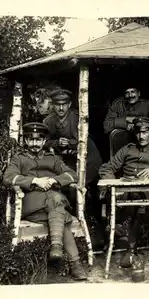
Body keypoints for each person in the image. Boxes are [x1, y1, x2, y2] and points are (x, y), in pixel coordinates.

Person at [3, 122, 88, 281]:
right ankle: (70, 259)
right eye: (31, 140)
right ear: (26, 141)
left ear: (44, 141)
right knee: (58, 203)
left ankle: (68, 258)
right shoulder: (19, 159)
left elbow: (72, 175)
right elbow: (8, 178)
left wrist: (53, 180)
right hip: (30, 204)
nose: (35, 143)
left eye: (38, 140)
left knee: (57, 209)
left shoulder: (52, 159)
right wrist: (35, 180)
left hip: (50, 206)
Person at [98, 117, 149, 267]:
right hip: (125, 192)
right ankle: (133, 244)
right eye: (139, 132)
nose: (141, 136)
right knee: (133, 197)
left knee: (138, 199)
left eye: (145, 132)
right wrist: (114, 184)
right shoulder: (127, 150)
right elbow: (107, 168)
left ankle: (129, 246)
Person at [42, 89, 104, 241]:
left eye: (64, 104)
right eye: (57, 105)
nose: (61, 108)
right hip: (69, 162)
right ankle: (76, 233)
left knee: (87, 194)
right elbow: (43, 141)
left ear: (69, 104)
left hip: (89, 160)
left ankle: (96, 232)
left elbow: (84, 139)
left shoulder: (79, 118)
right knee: (68, 192)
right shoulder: (48, 121)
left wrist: (68, 142)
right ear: (52, 105)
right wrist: (56, 142)